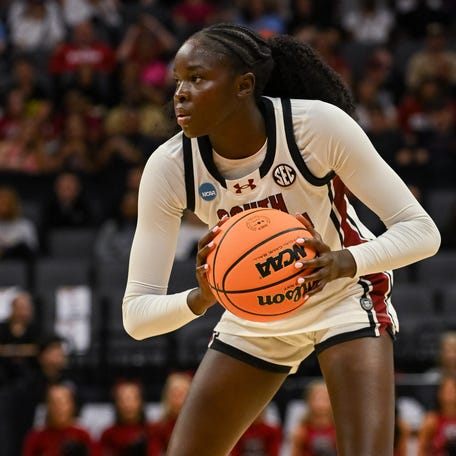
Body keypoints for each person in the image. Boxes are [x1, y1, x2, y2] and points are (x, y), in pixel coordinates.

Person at [122, 23, 441, 456]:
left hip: (340, 295)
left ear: (243, 86)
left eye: (197, 79)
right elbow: (137, 317)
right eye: (178, 80)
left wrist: (346, 262)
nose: (180, 93)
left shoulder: (315, 127)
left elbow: (421, 231)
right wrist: (201, 297)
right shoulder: (170, 166)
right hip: (253, 308)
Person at [22, 382, 100, 456]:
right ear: (47, 406)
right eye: (54, 403)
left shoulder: (82, 434)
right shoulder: (36, 436)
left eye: (63, 403)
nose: (59, 408)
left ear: (72, 405)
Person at [0, 291, 40, 385]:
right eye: (21, 307)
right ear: (13, 308)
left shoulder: (35, 329)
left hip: (29, 368)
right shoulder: (3, 328)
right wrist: (23, 350)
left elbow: (37, 348)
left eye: (27, 308)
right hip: (4, 369)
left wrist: (9, 350)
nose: (24, 311)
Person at [99, 379, 149, 455]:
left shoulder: (152, 431)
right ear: (116, 403)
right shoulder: (108, 434)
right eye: (123, 400)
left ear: (141, 401)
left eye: (133, 399)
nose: (128, 405)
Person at [289, 379, 337, 456]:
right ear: (309, 401)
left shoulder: (339, 431)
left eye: (325, 399)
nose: (321, 404)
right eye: (317, 399)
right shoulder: (301, 432)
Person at [147, 372, 192, 455]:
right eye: (175, 393)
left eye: (183, 393)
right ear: (167, 396)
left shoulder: (197, 428)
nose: (178, 397)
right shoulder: (157, 428)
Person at [416, 375, 456, 456]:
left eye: (452, 390)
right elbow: (421, 451)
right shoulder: (431, 420)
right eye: (446, 390)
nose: (449, 394)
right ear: (439, 394)